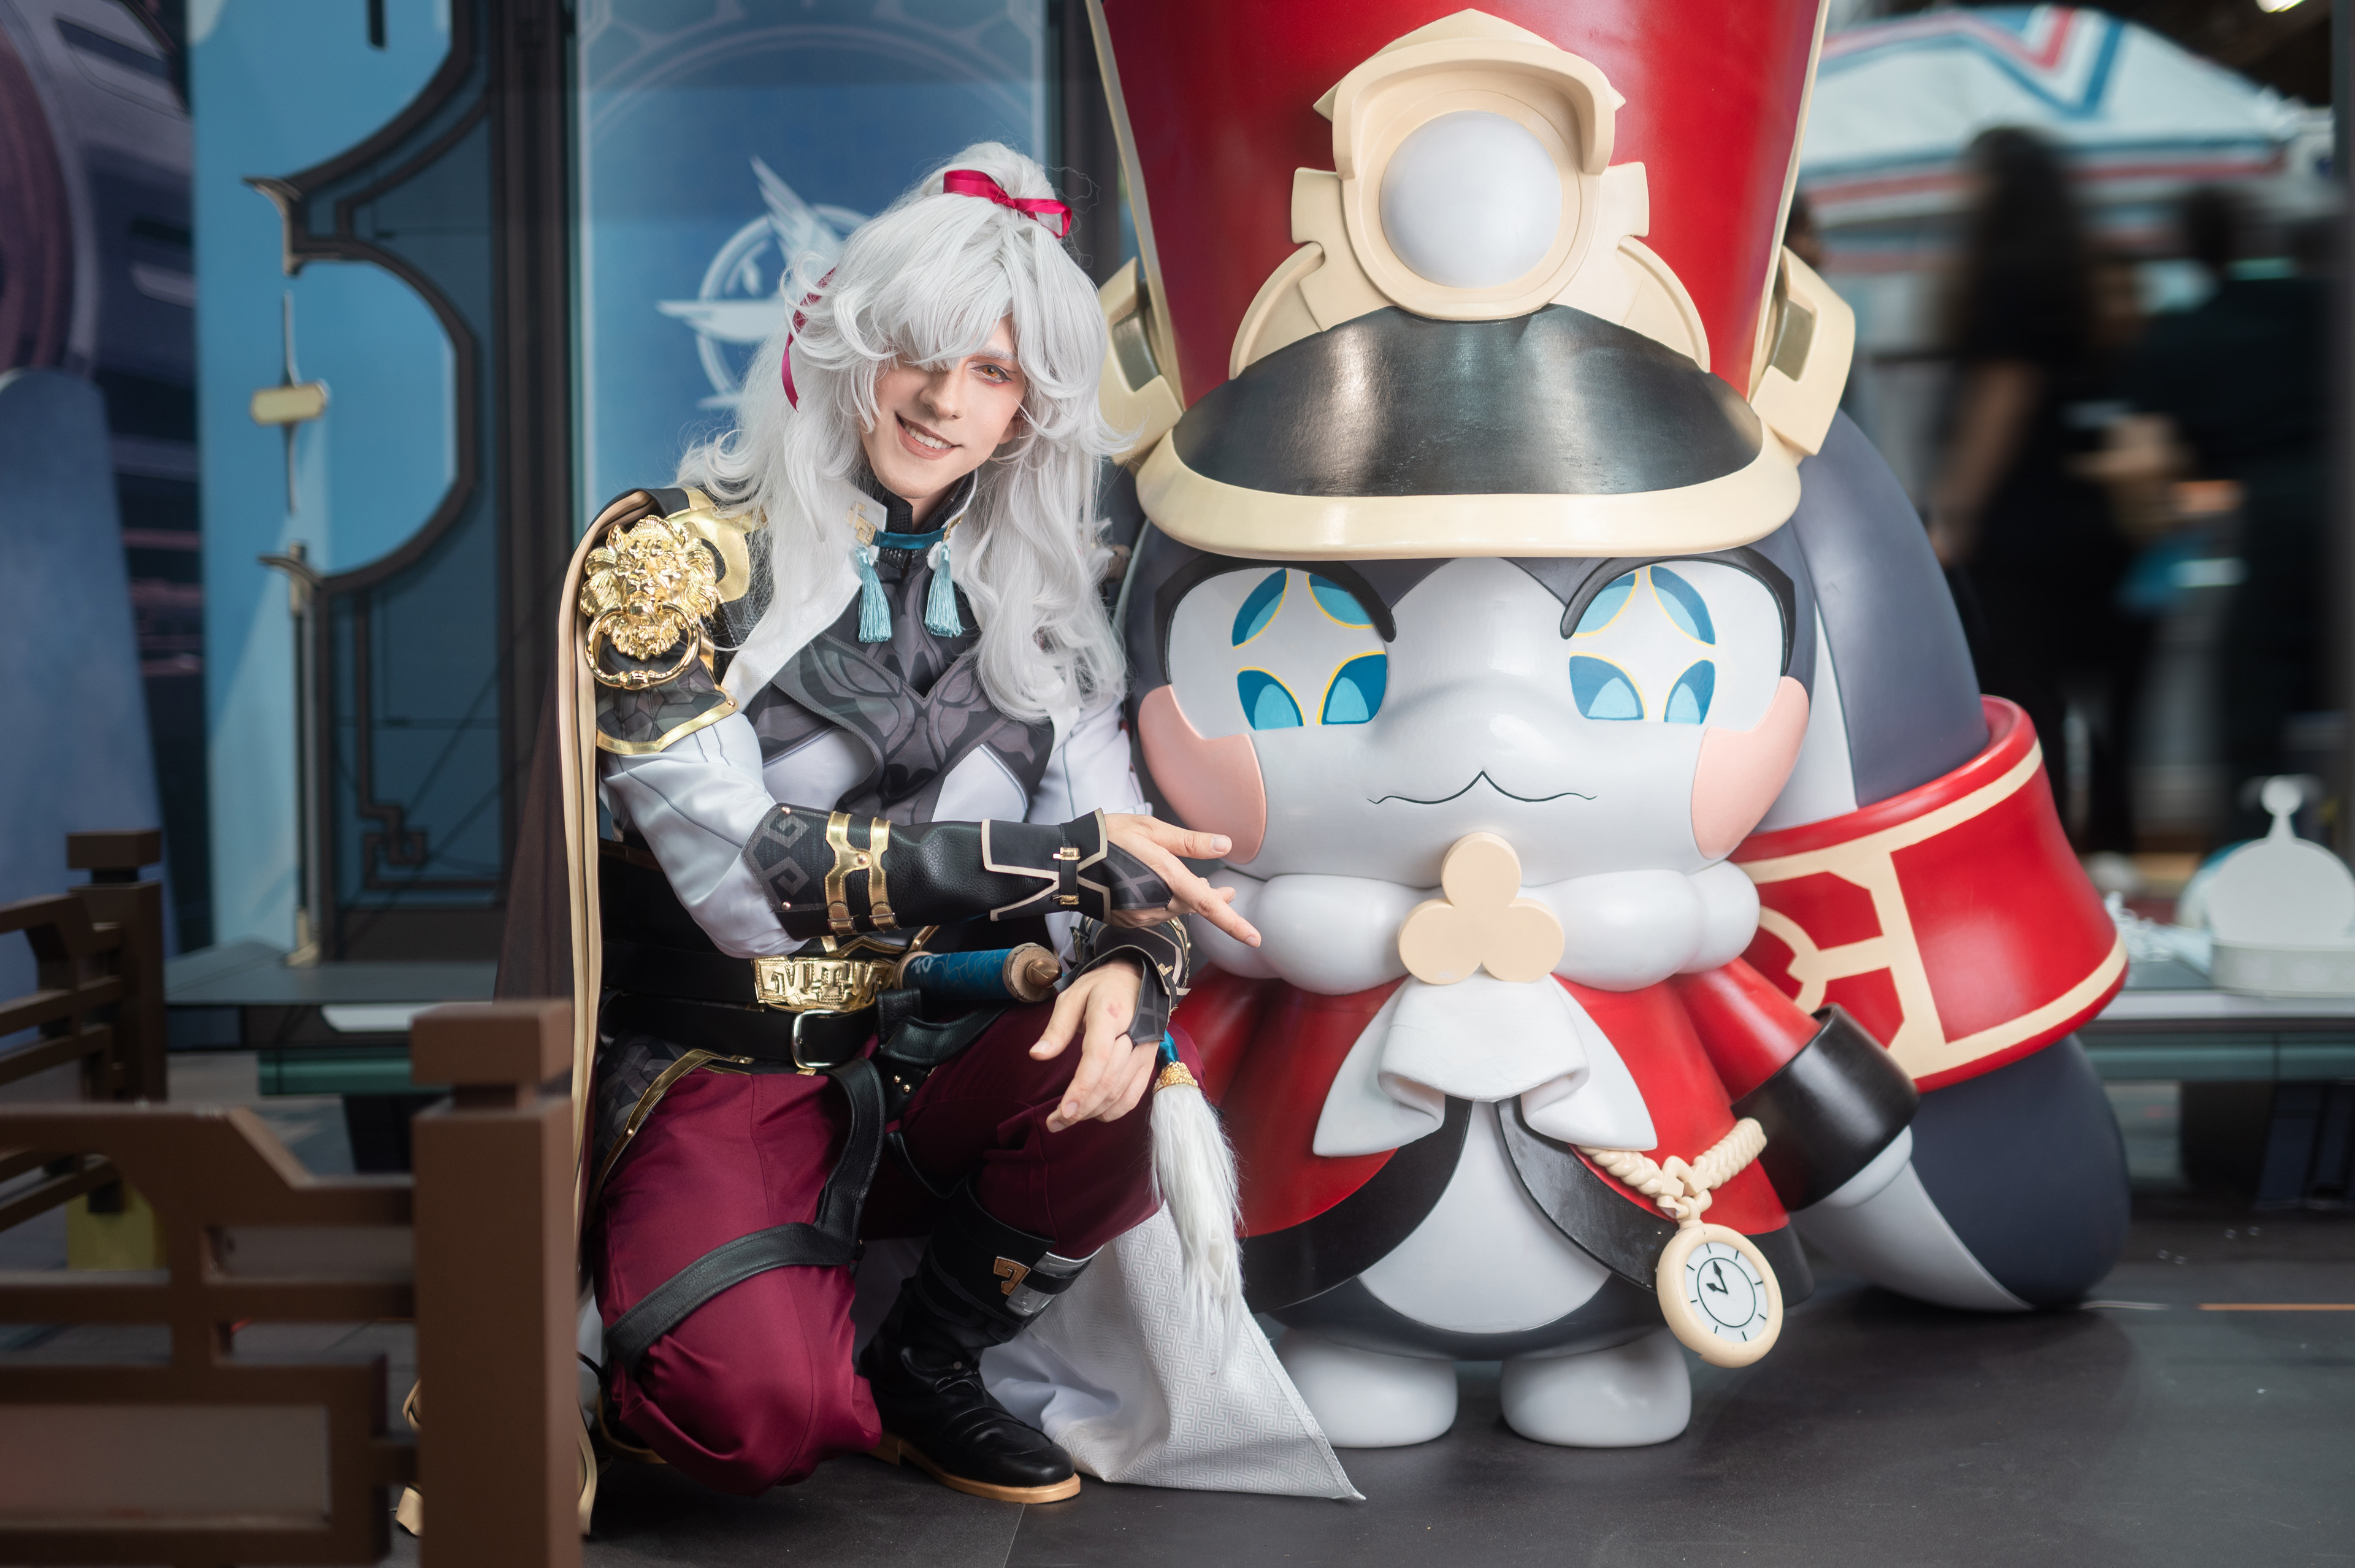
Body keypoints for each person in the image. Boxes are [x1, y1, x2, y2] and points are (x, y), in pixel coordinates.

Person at [558, 144, 1260, 1505]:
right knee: (756, 1422)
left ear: (1029, 409)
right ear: (848, 349)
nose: (945, 401)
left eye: (993, 372)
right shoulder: (672, 561)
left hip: (933, 1056)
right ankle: (665, 1339)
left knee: (1121, 1064)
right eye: (922, 356)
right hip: (725, 1060)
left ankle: (929, 1365)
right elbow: (743, 882)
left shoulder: (1041, 605)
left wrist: (1130, 966)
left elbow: (1126, 847)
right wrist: (1064, 864)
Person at [1926, 127, 2138, 854]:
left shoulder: (2005, 280)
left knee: (2021, 688)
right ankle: (2106, 836)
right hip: (2086, 520)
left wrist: (1955, 510)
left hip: (2020, 524)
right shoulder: (2075, 280)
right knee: (2089, 695)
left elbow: (2001, 403)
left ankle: (2035, 845)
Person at [2121, 186, 2329, 842]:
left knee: (2255, 717)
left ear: (2193, 248)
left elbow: (2144, 461)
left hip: (2277, 528)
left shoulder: (2183, 336)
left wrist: (2153, 526)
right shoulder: (2326, 305)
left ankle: (2259, 851)